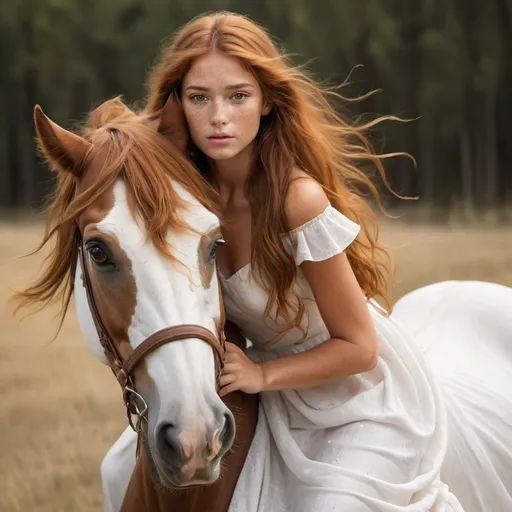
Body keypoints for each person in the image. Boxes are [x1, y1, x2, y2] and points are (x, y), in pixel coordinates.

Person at [142, 11, 510, 512]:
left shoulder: (298, 201)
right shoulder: (189, 205)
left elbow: (360, 346)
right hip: (274, 401)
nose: (218, 117)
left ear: (267, 101)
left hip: (358, 396)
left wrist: (262, 376)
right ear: (177, 104)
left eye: (238, 96)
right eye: (198, 97)